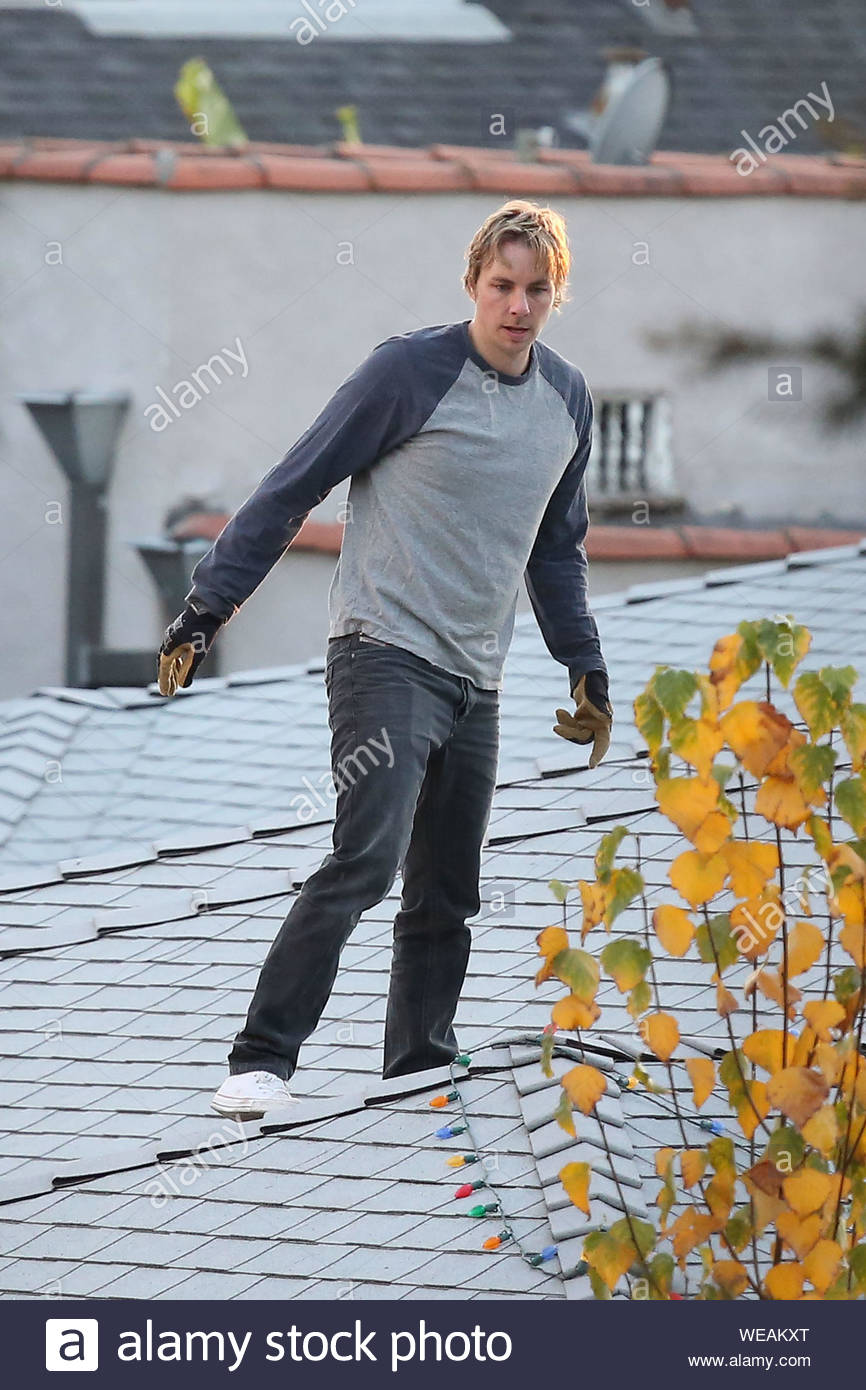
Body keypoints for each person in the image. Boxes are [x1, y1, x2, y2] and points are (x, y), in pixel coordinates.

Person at [157, 199, 612, 1120]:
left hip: (476, 676)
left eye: (537, 291)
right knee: (366, 856)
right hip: (384, 653)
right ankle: (261, 1059)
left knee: (449, 887)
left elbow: (555, 548)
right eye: (501, 286)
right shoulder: (409, 372)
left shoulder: (568, 403)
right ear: (474, 284)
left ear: (557, 295)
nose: (517, 307)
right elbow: (297, 482)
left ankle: (418, 1067)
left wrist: (584, 664)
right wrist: (208, 607)